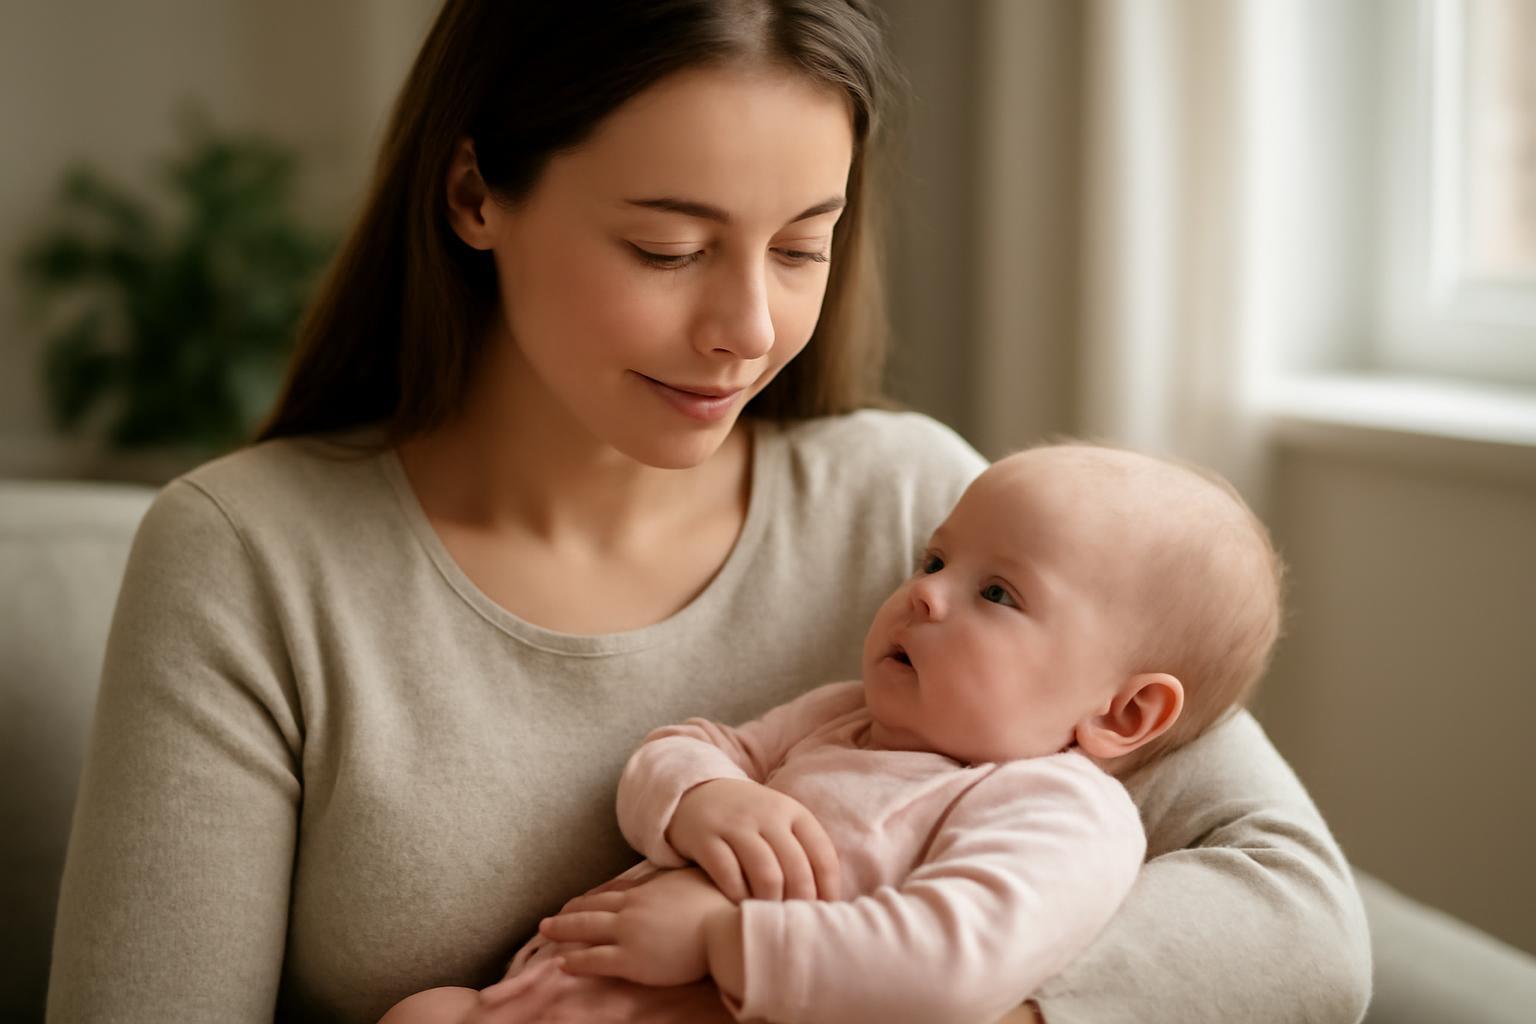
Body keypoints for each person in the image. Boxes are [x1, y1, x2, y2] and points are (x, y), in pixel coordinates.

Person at [47, 2, 1371, 1023]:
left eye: (804, 245)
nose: (749, 330)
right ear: (473, 197)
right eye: (667, 249)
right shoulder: (250, 558)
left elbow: (1300, 916)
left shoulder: (928, 508)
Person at [381, 442, 1284, 1024]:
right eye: (935, 560)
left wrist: (718, 943)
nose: (925, 593)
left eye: (997, 594)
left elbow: (949, 965)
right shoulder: (843, 716)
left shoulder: (1058, 810)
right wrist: (704, 796)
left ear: (1123, 713)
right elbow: (682, 747)